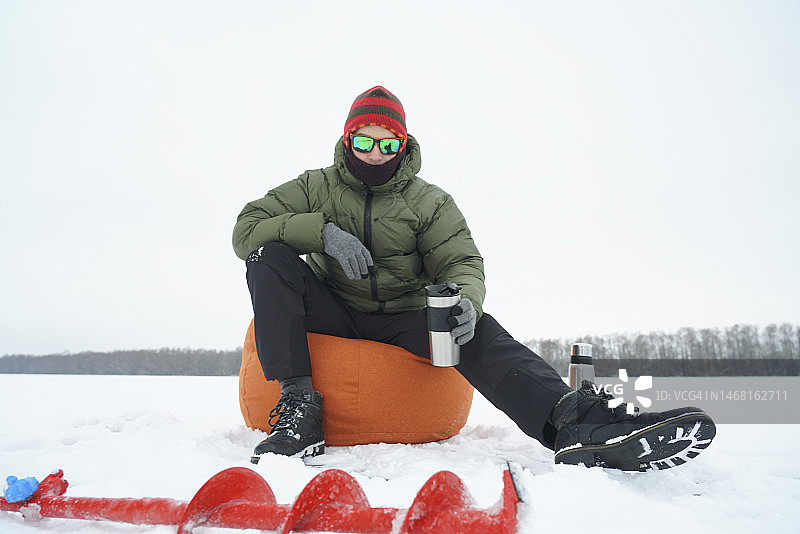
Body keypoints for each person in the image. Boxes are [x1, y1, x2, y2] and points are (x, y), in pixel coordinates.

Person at [232, 86, 715, 471]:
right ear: (346, 140)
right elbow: (245, 229)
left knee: (476, 330)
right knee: (267, 257)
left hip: (403, 315)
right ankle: (299, 411)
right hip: (331, 308)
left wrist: (466, 301)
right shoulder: (314, 186)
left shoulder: (430, 202)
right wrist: (322, 233)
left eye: (388, 143)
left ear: (404, 145)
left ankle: (573, 422)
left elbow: (462, 262)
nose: (375, 154)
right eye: (364, 140)